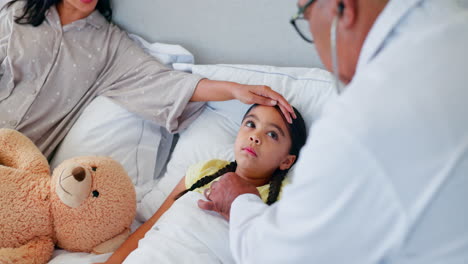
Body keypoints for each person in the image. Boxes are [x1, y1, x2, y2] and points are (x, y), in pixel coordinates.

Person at [200, 0, 468, 263]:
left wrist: (240, 200)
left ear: (343, 8)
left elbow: (277, 256)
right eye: (250, 123)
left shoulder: (359, 120)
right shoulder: (453, 22)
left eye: (305, 16)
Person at [0, 0, 294, 160]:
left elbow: (165, 84)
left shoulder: (110, 46)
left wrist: (235, 89)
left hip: (19, 171)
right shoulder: (14, 13)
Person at [98, 104, 307, 263]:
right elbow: (154, 226)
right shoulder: (204, 171)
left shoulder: (285, 199)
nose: (255, 137)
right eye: (251, 124)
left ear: (286, 161)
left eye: (272, 134)